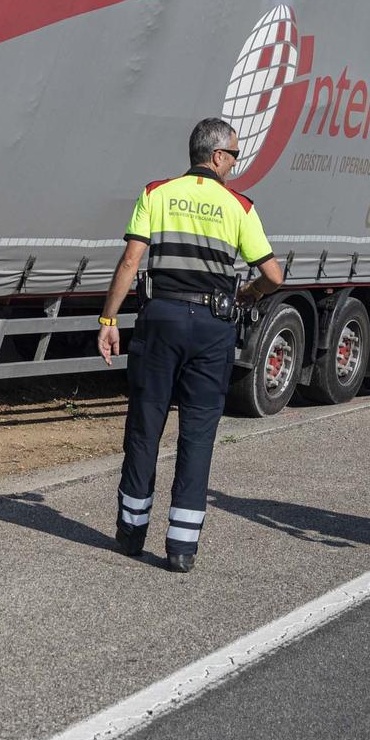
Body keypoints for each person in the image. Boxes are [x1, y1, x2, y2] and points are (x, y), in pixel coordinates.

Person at [96, 118, 283, 573]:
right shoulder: (239, 205)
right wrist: (249, 294)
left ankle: (130, 533)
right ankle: (181, 548)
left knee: (145, 425)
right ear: (217, 157)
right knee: (197, 434)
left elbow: (130, 260)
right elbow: (274, 275)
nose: (236, 163)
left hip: (160, 319)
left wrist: (108, 318)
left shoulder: (156, 193)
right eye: (235, 155)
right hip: (213, 328)